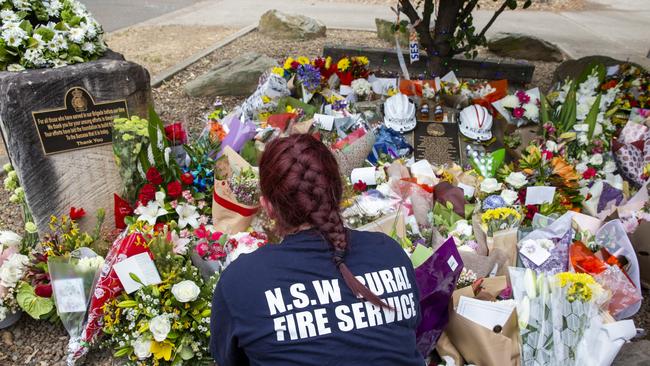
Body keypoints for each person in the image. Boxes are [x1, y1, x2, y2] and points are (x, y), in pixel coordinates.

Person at [210, 134, 424, 366]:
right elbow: (408, 332)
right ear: (340, 193)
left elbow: (228, 359)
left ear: (268, 208)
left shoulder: (242, 281)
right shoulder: (389, 253)